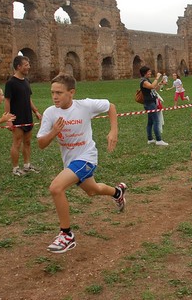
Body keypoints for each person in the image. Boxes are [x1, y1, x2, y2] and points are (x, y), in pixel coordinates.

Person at [37, 74, 127, 254]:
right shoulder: (50, 113)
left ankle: (67, 235)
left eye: (59, 93)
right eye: (52, 92)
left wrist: (113, 131)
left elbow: (110, 106)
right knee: (92, 190)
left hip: (87, 156)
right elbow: (41, 144)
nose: (55, 96)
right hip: (70, 161)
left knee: (56, 188)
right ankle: (117, 192)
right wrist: (54, 132)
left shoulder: (84, 106)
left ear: (71, 92)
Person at [5, 55, 43, 176]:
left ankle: (27, 165)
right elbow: (7, 101)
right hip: (17, 118)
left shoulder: (26, 81)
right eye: (26, 65)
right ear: (18, 66)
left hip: (27, 117)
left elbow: (28, 99)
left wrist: (36, 111)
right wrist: (8, 119)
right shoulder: (11, 83)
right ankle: (15, 168)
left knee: (27, 142)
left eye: (28, 65)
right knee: (17, 142)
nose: (28, 67)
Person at [140, 66, 168, 146]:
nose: (150, 73)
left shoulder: (147, 80)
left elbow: (153, 89)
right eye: (149, 72)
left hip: (152, 102)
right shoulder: (143, 81)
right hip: (149, 103)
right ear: (144, 73)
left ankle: (150, 139)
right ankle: (159, 140)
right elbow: (151, 86)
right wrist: (157, 77)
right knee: (156, 121)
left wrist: (160, 84)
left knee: (150, 121)